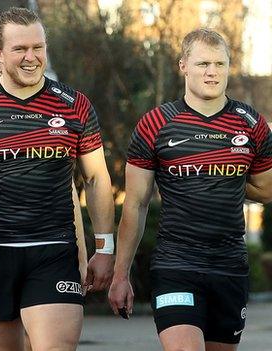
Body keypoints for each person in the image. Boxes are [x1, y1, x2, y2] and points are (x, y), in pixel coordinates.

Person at [0, 7, 115, 351]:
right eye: (20, 50)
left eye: (39, 48)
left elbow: (95, 179)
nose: (32, 58)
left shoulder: (74, 105)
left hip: (53, 252)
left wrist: (105, 247)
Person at [108, 28, 272, 351]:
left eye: (220, 64)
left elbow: (265, 190)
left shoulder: (251, 125)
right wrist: (120, 274)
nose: (212, 72)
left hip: (229, 266)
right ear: (183, 65)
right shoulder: (156, 123)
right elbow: (136, 205)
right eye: (203, 64)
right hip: (176, 263)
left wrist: (222, 182)